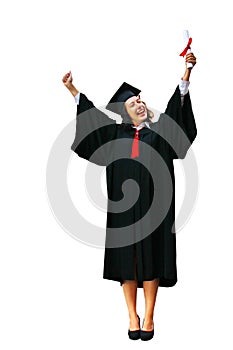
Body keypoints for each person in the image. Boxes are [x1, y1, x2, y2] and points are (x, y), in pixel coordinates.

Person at [62, 52, 197, 341]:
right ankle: (131, 315)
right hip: (123, 210)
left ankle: (149, 316)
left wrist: (186, 74)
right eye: (133, 101)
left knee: (153, 258)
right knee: (127, 260)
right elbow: (91, 124)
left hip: (156, 208)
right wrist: (74, 92)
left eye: (141, 100)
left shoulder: (161, 133)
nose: (140, 103)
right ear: (125, 113)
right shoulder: (114, 136)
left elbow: (178, 116)